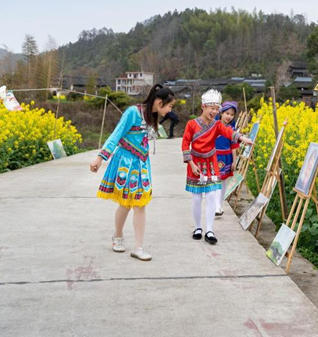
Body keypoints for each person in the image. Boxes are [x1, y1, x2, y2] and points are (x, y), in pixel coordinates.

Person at [90, 84, 175, 261]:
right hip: (125, 162)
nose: (170, 109)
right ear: (159, 102)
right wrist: (100, 157)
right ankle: (118, 236)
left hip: (142, 164)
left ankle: (138, 247)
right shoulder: (132, 112)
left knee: (140, 203)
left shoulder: (153, 116)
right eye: (169, 106)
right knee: (125, 203)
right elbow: (116, 134)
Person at [182, 89, 253, 244]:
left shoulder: (217, 125)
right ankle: (198, 227)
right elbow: (185, 144)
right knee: (196, 198)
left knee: (212, 196)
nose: (214, 112)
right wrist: (191, 163)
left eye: (216, 109)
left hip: (211, 164)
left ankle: (209, 230)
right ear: (203, 106)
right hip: (196, 164)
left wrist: (242, 138)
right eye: (211, 108)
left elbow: (229, 132)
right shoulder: (191, 124)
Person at [214, 101, 240, 216]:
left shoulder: (232, 129)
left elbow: (233, 146)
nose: (229, 116)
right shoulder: (214, 125)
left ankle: (219, 204)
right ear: (221, 113)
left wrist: (234, 160)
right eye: (227, 113)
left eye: (231, 115)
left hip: (227, 157)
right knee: (216, 181)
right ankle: (216, 205)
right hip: (215, 156)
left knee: (224, 181)